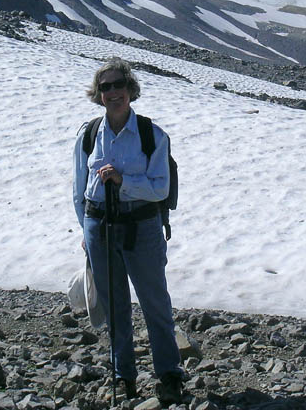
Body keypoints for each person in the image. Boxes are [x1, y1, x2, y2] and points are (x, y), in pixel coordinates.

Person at [73, 57, 183, 403]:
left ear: (130, 90)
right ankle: (123, 374)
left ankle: (168, 372)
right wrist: (86, 228)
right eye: (105, 87)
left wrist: (123, 182)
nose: (112, 92)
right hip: (99, 225)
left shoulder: (152, 135)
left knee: (154, 301)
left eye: (118, 84)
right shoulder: (89, 134)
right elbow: (79, 189)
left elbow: (160, 189)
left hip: (143, 225)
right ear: (99, 94)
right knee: (114, 304)